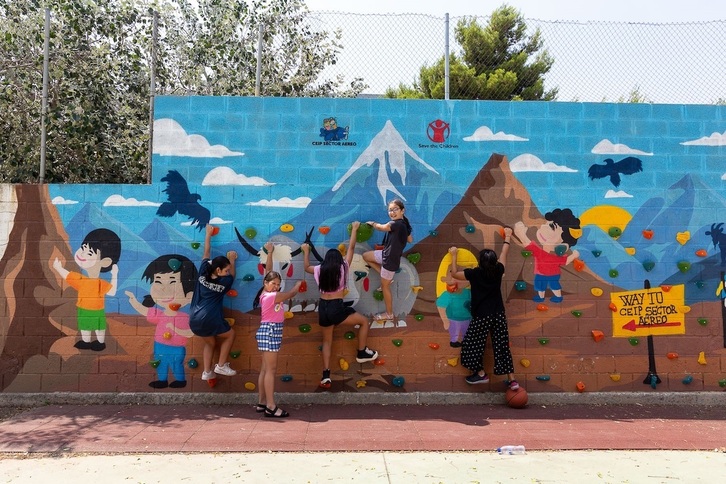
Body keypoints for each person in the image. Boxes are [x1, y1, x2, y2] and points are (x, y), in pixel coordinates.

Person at [302, 221, 379, 389]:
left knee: (327, 341)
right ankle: (361, 351)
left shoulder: (319, 269)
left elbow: (307, 266)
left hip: (323, 308)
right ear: (338, 260)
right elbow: (350, 249)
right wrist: (355, 230)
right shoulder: (343, 267)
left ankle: (326, 375)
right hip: (337, 307)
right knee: (364, 322)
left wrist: (306, 251)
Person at [449, 226, 519, 391]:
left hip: (481, 315)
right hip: (498, 314)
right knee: (501, 345)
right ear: (494, 262)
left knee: (471, 345)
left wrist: (454, 255)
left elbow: (453, 273)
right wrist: (507, 236)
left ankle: (480, 373)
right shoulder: (499, 270)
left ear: (480, 262)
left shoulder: (475, 274)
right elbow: (504, 253)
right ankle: (512, 380)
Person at [125, 254, 197, 389]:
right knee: (161, 362)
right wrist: (133, 300)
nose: (164, 289)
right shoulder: (160, 314)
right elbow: (145, 310)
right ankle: (162, 380)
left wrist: (175, 329)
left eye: (172, 282)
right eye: (158, 282)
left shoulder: (184, 317)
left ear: (190, 295)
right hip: (160, 345)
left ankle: (180, 380)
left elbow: (189, 333)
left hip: (177, 347)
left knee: (177, 363)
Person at [252, 241, 302, 418]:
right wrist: (296, 286)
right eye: (273, 283)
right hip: (270, 331)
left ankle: (261, 402)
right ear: (265, 284)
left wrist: (270, 253)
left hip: (269, 330)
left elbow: (268, 272)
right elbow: (290, 294)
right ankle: (271, 406)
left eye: (278, 284)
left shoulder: (265, 293)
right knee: (271, 370)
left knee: (265, 369)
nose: (276, 286)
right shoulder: (272, 296)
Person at [52, 228, 121, 352]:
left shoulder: (100, 283)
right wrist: (58, 268)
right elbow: (68, 276)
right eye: (83, 249)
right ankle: (86, 341)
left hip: (97, 310)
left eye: (89, 253)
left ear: (105, 262)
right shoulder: (81, 280)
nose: (82, 254)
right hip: (83, 309)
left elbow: (112, 292)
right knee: (84, 325)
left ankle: (100, 342)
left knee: (99, 326)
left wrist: (114, 275)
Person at [189, 224, 238, 385]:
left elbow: (206, 252)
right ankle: (221, 365)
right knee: (230, 335)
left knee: (210, 343)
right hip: (211, 318)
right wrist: (232, 260)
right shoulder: (225, 282)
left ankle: (207, 372)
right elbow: (233, 276)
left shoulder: (203, 271)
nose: (227, 272)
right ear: (218, 270)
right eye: (225, 270)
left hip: (194, 319)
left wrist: (208, 234)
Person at [363, 199, 413, 322]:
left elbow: (382, 228)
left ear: (402, 211)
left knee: (385, 287)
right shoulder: (404, 225)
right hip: (386, 255)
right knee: (366, 256)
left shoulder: (396, 224)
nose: (392, 212)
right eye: (390, 210)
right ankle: (385, 277)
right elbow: (410, 240)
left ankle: (389, 314)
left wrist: (372, 223)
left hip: (390, 261)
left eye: (395, 209)